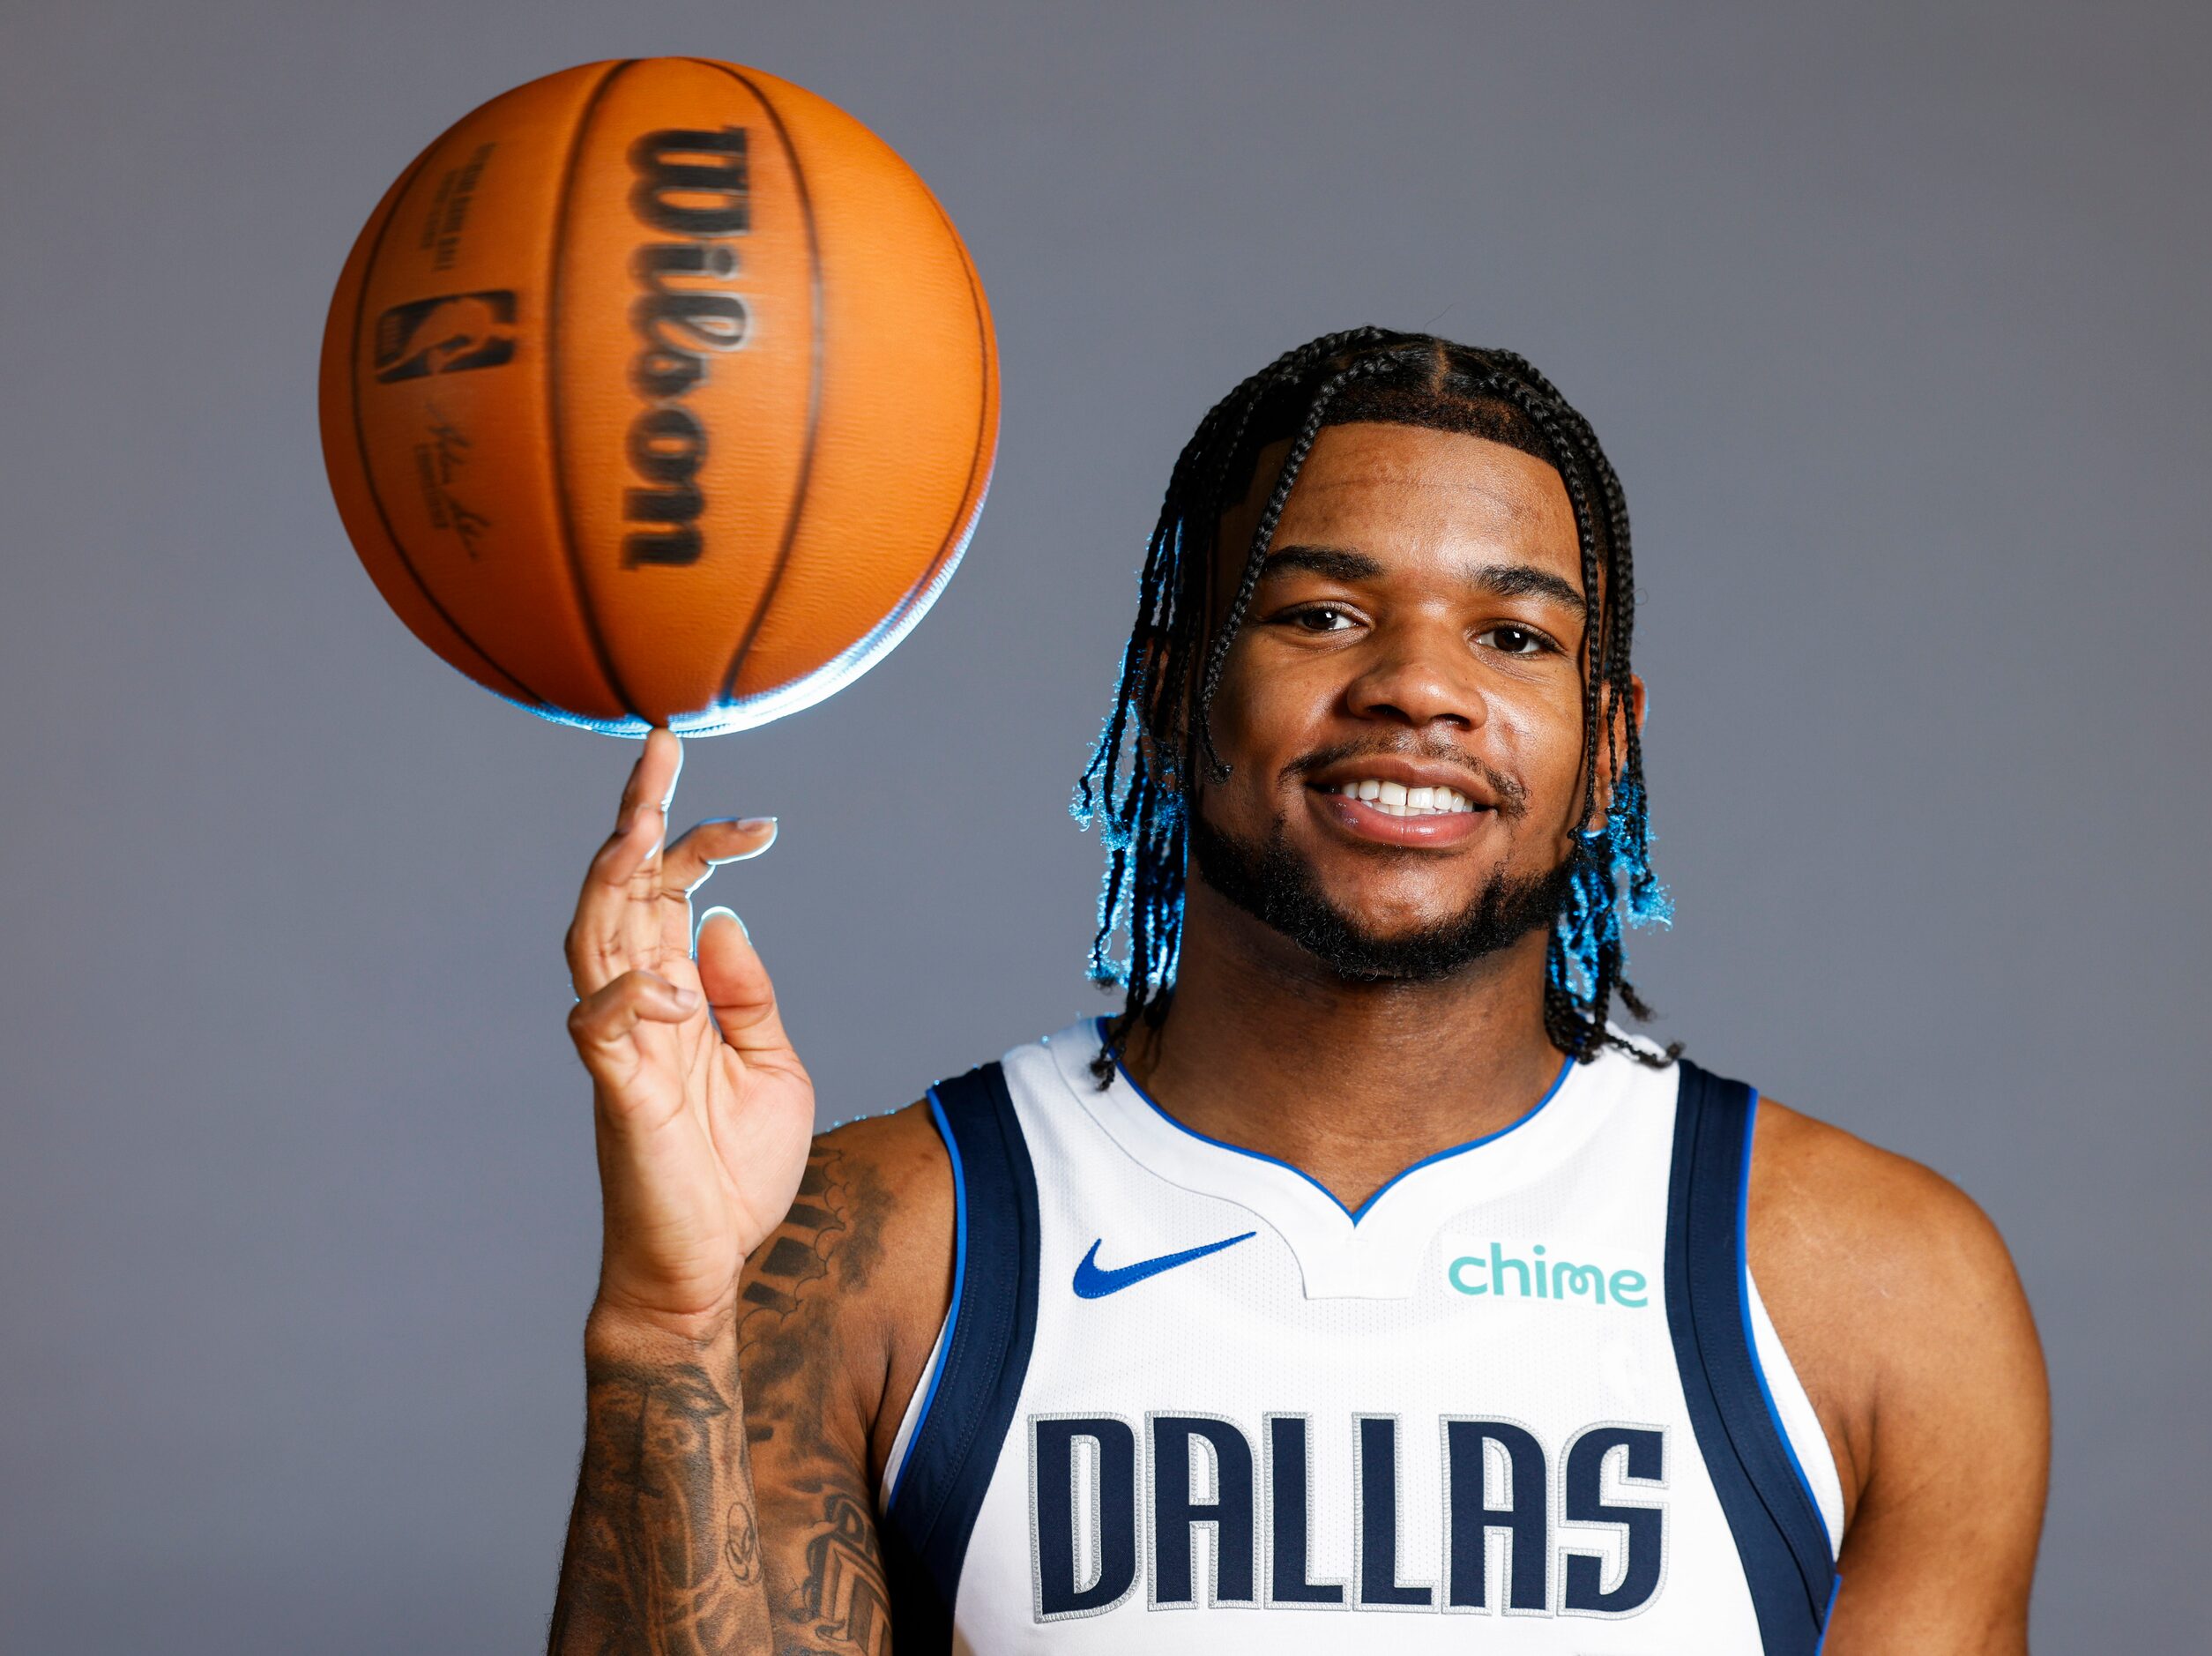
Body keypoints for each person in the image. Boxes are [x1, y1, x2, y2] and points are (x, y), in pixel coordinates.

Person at [545, 330, 2049, 1655]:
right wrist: (671, 1325)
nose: (1419, 685)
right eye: (1321, 613)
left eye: (1513, 636)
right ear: (1172, 681)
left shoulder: (1874, 1288)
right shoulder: (881, 1248)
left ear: (1605, 747)